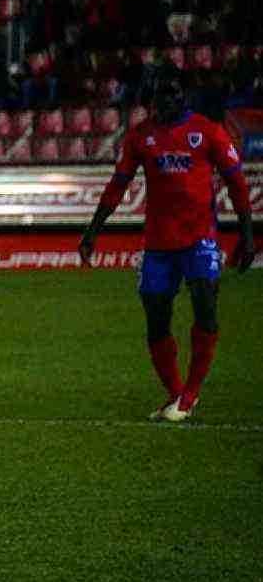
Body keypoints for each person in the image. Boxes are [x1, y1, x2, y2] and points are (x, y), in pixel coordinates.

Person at [79, 69, 253, 421]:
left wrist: (247, 237)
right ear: (152, 99)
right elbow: (118, 185)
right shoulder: (140, 137)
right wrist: (92, 232)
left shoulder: (207, 131)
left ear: (183, 95)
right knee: (157, 320)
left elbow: (237, 184)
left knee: (205, 305)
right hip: (158, 244)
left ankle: (190, 394)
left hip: (200, 239)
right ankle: (176, 393)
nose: (168, 99)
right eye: (162, 94)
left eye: (174, 92)